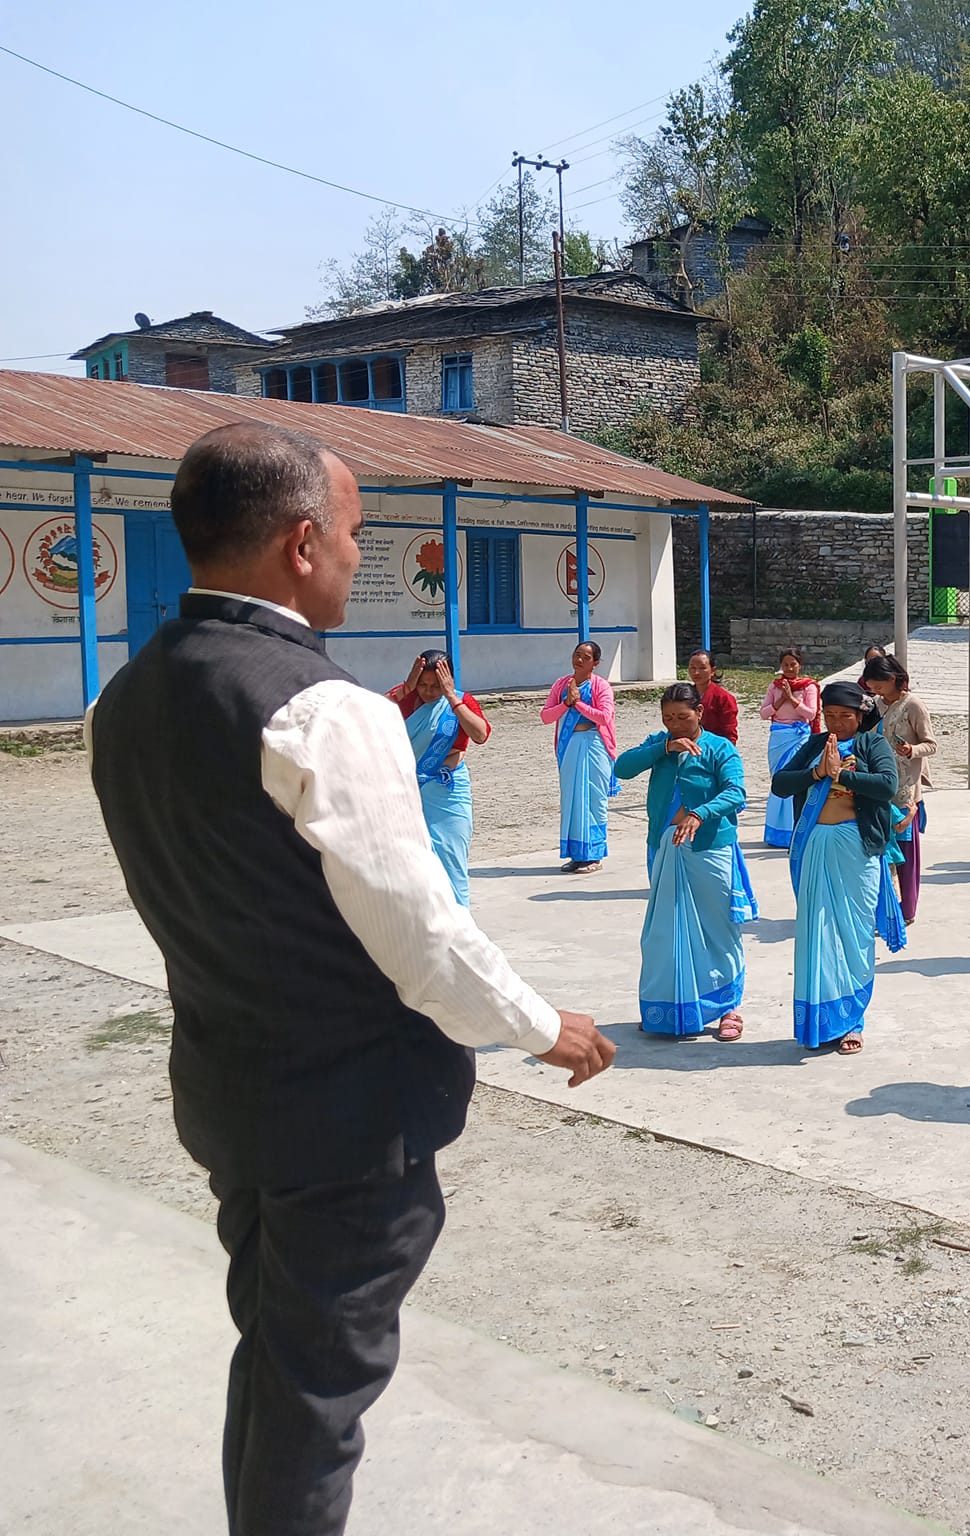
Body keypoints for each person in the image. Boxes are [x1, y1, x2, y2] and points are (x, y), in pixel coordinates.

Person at [87, 422, 613, 1536]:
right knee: (318, 1396)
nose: (355, 559)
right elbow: (421, 936)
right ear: (298, 542)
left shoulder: (128, 697)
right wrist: (539, 1026)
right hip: (347, 1120)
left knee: (282, 1371)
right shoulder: (325, 710)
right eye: (354, 535)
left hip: (233, 1094)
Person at [771, 681, 903, 1054]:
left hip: (856, 850)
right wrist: (817, 773)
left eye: (845, 716)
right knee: (818, 934)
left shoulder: (871, 744)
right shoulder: (815, 746)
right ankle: (821, 1020)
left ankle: (853, 1022)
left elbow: (887, 785)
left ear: (860, 716)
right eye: (830, 716)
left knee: (854, 934)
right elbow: (780, 784)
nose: (838, 723)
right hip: (815, 847)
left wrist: (841, 775)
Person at [617, 682, 754, 1042]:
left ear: (700, 714)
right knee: (664, 933)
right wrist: (664, 747)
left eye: (682, 717)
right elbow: (621, 768)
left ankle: (728, 1008)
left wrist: (699, 814)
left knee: (717, 930)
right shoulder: (659, 745)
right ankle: (671, 1006)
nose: (676, 723)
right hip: (663, 849)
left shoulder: (719, 749)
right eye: (668, 718)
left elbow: (736, 792)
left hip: (709, 849)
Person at [384, 650, 489, 906]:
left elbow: (480, 734)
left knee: (452, 858)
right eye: (423, 685)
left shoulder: (460, 702)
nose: (429, 692)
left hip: (447, 791)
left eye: (436, 686)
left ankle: (458, 924)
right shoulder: (404, 697)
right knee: (413, 863)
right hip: (407, 793)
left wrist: (452, 697)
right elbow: (367, 720)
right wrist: (406, 689)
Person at [862, 652, 937, 923]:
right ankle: (884, 905)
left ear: (893, 679)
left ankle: (905, 910)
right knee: (880, 849)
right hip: (877, 784)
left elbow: (931, 744)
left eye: (879, 685)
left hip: (905, 786)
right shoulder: (875, 706)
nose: (875, 690)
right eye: (871, 686)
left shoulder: (914, 705)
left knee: (903, 850)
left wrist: (911, 750)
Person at [541, 641, 618, 873]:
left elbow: (604, 717)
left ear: (595, 663)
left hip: (594, 746)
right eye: (577, 654)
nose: (580, 659)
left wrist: (579, 704)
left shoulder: (600, 686)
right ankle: (577, 854)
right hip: (570, 746)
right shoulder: (561, 685)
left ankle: (594, 855)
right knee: (573, 801)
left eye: (586, 656)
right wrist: (566, 702)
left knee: (593, 800)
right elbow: (546, 716)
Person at [758, 649, 820, 849]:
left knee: (795, 780)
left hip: (798, 738)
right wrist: (781, 699)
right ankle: (777, 833)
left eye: (793, 664)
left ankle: (794, 829)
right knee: (779, 780)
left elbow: (810, 714)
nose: (789, 668)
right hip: (778, 737)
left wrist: (792, 698)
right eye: (785, 665)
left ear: (799, 665)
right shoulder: (774, 687)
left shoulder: (808, 687)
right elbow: (764, 713)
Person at [687, 649, 741, 745]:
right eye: (693, 668)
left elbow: (729, 733)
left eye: (702, 668)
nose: (696, 673)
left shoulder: (724, 698)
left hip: (714, 749)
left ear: (713, 671)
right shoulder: (685, 695)